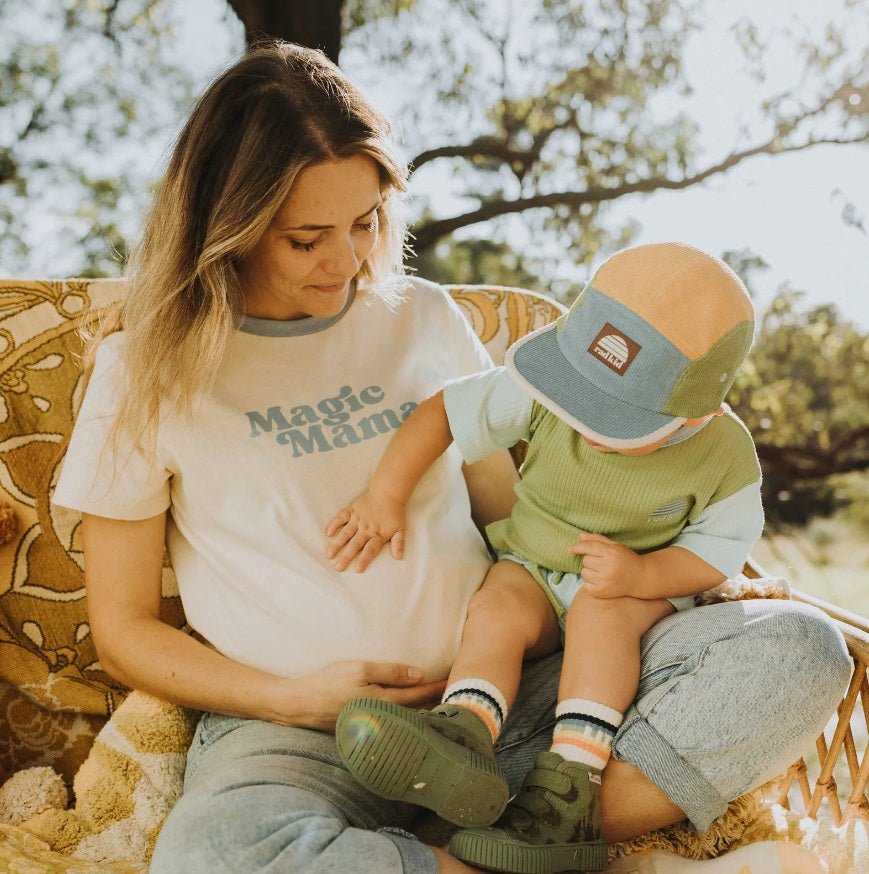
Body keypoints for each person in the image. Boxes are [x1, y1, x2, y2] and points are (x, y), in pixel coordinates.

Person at [49, 39, 850, 874]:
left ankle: (514, 839)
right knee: (213, 856)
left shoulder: (421, 316)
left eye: (364, 223)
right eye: (305, 239)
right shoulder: (142, 374)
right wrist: (295, 699)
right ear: (228, 228)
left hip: (514, 704)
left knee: (798, 650)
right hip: (301, 738)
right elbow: (125, 632)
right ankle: (536, 861)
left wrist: (672, 574)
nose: (348, 260)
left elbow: (513, 514)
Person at [326, 242, 765, 872]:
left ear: (696, 409)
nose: (584, 422)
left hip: (631, 584)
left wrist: (641, 573)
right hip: (532, 560)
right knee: (497, 607)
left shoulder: (724, 453)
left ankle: (570, 789)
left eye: (613, 419)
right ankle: (466, 730)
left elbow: (718, 553)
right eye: (580, 398)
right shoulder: (548, 389)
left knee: (600, 616)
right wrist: (385, 494)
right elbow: (443, 413)